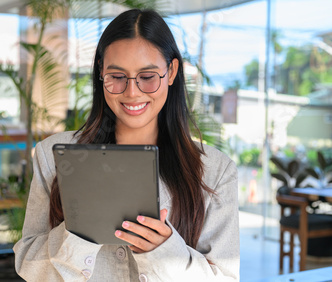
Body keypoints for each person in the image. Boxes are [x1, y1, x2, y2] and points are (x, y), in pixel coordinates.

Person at [13, 9, 239, 281]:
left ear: (171, 72)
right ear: (101, 73)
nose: (132, 92)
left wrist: (165, 252)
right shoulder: (53, 155)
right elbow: (27, 266)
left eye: (148, 76)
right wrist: (80, 229)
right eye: (117, 77)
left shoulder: (215, 170)